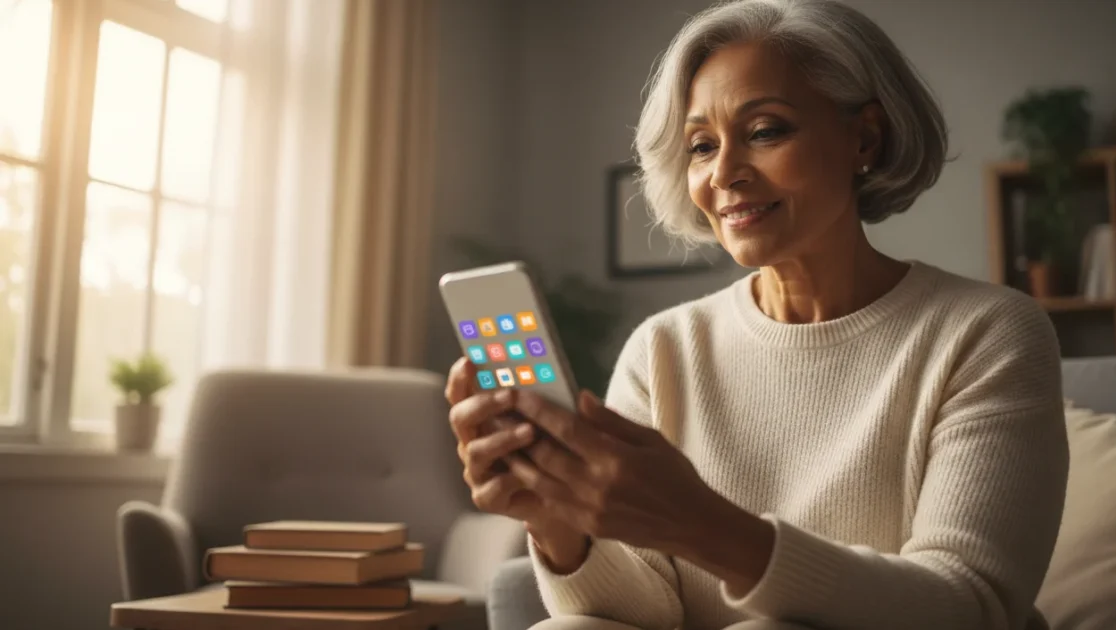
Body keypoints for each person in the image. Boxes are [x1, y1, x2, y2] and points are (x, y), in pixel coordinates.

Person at [444, 0, 1068, 628]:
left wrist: (702, 525)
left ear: (865, 138)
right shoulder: (663, 348)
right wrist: (556, 522)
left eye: (765, 131)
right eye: (701, 146)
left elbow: (970, 605)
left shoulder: (987, 332)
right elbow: (643, 614)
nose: (724, 174)